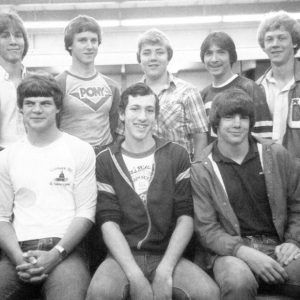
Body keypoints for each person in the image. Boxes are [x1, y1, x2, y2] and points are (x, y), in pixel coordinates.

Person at [86, 82, 220, 300]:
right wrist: (135, 276)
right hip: (121, 257)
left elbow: (185, 217)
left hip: (167, 255)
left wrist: (165, 272)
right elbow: (108, 222)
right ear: (121, 114)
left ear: (156, 116)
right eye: (135, 109)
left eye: (149, 110)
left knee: (208, 293)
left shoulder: (176, 154)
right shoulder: (105, 160)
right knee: (100, 293)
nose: (142, 117)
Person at [191, 88, 300, 299]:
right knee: (238, 281)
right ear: (216, 124)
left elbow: (297, 205)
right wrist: (244, 252)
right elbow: (207, 229)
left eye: (244, 117)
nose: (237, 124)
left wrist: (293, 241)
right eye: (229, 117)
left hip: (278, 247)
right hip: (229, 252)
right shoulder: (201, 168)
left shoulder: (276, 155)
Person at [0, 73, 97, 300]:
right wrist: (17, 258)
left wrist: (56, 254)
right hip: (18, 250)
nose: (37, 109)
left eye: (45, 103)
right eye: (30, 103)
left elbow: (86, 213)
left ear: (57, 108)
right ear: (21, 109)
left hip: (66, 250)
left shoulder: (80, 150)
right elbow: (2, 218)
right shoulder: (7, 157)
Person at [118, 28, 208, 160]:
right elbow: (122, 136)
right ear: (139, 58)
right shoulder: (129, 95)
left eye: (159, 52)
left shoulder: (188, 92)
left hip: (180, 174)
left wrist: (196, 173)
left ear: (168, 56)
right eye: (146, 53)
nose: (153, 58)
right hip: (140, 172)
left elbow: (200, 138)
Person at [56, 15, 120, 154]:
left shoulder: (112, 86)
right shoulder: (58, 84)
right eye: (82, 40)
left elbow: (115, 126)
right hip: (70, 156)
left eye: (94, 40)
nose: (89, 46)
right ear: (70, 45)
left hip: (105, 156)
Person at [200, 31, 273, 143]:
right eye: (209, 53)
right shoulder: (203, 95)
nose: (214, 59)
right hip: (214, 159)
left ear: (231, 56)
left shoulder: (250, 88)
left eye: (221, 52)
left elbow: (264, 137)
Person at [257, 10, 300, 159]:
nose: (275, 44)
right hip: (269, 173)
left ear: (294, 42)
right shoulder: (256, 89)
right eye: (269, 39)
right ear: (264, 46)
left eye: (281, 38)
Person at [0, 12, 28, 149]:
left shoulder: (38, 81)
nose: (13, 41)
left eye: (18, 35)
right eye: (5, 36)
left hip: (33, 156)